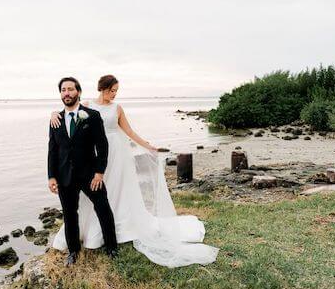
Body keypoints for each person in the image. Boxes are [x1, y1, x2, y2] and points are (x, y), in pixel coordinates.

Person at [49, 75, 218, 267]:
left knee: (111, 196)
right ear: (103, 89)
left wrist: (147, 146)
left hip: (113, 155)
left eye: (116, 91)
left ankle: (112, 240)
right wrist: (54, 113)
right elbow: (67, 117)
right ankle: (84, 237)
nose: (114, 94)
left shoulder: (116, 109)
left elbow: (129, 132)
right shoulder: (87, 107)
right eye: (112, 90)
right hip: (89, 160)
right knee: (83, 204)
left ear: (77, 91)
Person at [47, 77, 118, 266]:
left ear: (78, 92)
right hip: (64, 176)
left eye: (70, 89)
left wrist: (99, 173)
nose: (67, 93)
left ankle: (112, 247)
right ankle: (73, 252)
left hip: (89, 174)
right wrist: (51, 176)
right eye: (63, 90)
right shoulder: (56, 120)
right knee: (70, 214)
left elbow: (102, 146)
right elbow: (52, 150)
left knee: (103, 208)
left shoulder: (92, 116)